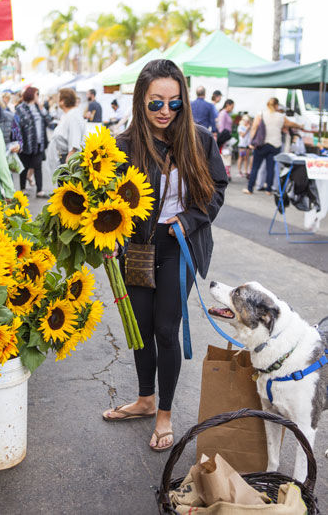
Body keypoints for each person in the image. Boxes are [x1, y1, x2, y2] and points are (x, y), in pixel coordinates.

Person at [102, 59, 228, 453]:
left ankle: (165, 414)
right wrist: (109, 234)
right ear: (141, 99)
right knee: (139, 328)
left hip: (180, 243)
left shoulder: (200, 140)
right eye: (157, 102)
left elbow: (217, 189)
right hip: (137, 246)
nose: (165, 111)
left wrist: (188, 220)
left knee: (165, 329)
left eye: (174, 103)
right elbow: (103, 197)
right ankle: (145, 399)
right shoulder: (121, 146)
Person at [243, 98, 303, 195]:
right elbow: (291, 124)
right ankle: (268, 190)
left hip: (261, 144)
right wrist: (301, 126)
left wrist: (251, 142)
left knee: (255, 167)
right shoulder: (281, 116)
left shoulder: (261, 114)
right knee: (270, 168)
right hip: (275, 145)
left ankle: (250, 188)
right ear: (277, 106)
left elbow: (254, 127)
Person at [15, 86, 51, 198]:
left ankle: (40, 191)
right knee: (24, 167)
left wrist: (42, 109)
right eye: (37, 94)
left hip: (38, 143)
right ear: (31, 94)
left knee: (38, 166)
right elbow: (18, 125)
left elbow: (48, 121)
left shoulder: (39, 107)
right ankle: (22, 189)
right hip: (26, 143)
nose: (38, 96)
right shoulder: (20, 108)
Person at [51, 88, 86, 164]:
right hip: (64, 156)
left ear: (63, 101)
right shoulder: (68, 114)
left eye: (58, 98)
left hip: (69, 158)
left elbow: (74, 144)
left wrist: (68, 164)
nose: (57, 100)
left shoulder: (73, 116)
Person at [216, 99, 234, 179]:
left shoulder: (226, 113)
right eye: (232, 106)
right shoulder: (223, 113)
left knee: (226, 155)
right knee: (225, 155)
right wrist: (222, 138)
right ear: (227, 105)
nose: (232, 108)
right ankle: (224, 173)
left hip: (226, 138)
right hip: (224, 138)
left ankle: (226, 172)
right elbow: (221, 127)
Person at [236, 114, 251, 178]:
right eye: (245, 120)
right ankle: (239, 171)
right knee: (241, 158)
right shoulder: (240, 127)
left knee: (246, 158)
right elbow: (242, 135)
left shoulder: (249, 127)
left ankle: (245, 171)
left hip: (247, 145)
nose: (246, 122)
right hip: (242, 146)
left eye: (247, 120)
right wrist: (247, 129)